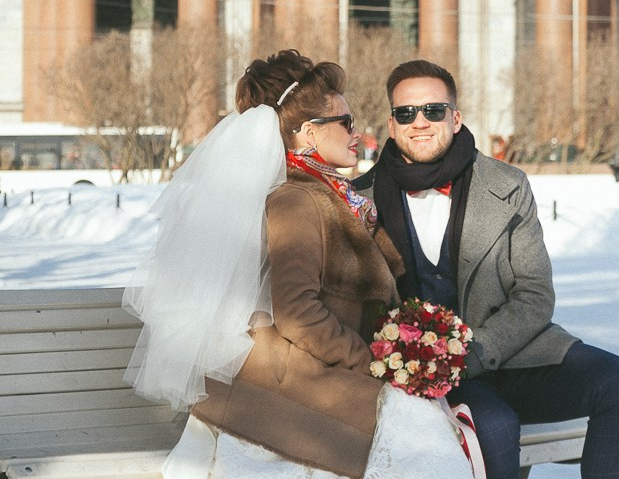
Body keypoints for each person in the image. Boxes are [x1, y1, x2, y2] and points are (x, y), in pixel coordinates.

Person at [122, 50, 473, 479]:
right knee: (424, 447)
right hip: (293, 390)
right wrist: (372, 364)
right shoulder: (297, 202)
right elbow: (297, 313)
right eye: (345, 122)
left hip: (312, 377)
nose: (356, 131)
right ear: (308, 133)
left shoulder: (324, 193)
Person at [355, 59, 619, 479]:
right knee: (495, 427)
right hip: (412, 373)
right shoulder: (358, 201)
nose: (420, 122)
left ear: (455, 119)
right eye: (406, 113)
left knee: (618, 382)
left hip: (507, 354)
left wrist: (471, 353)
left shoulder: (508, 184)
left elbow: (534, 294)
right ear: (392, 124)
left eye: (433, 110)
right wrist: (408, 359)